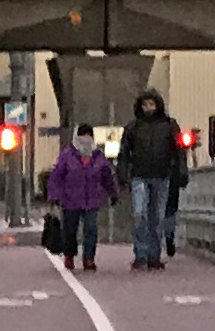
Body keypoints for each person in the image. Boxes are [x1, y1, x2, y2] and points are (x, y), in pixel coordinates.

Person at [119, 90, 187, 270]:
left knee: (157, 217)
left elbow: (179, 151)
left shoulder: (170, 126)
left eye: (151, 104)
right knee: (139, 214)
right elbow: (124, 152)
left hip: (162, 175)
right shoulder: (133, 127)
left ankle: (153, 256)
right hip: (139, 175)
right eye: (145, 105)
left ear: (157, 105)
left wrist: (181, 172)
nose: (148, 108)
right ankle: (140, 254)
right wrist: (122, 173)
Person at [47, 125, 119, 272]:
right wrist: (54, 196)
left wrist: (113, 193)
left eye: (88, 135)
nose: (85, 139)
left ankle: (89, 259)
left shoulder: (98, 156)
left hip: (92, 199)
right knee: (70, 229)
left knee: (91, 229)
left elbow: (107, 176)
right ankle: (69, 255)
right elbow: (57, 176)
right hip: (71, 199)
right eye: (82, 135)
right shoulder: (67, 155)